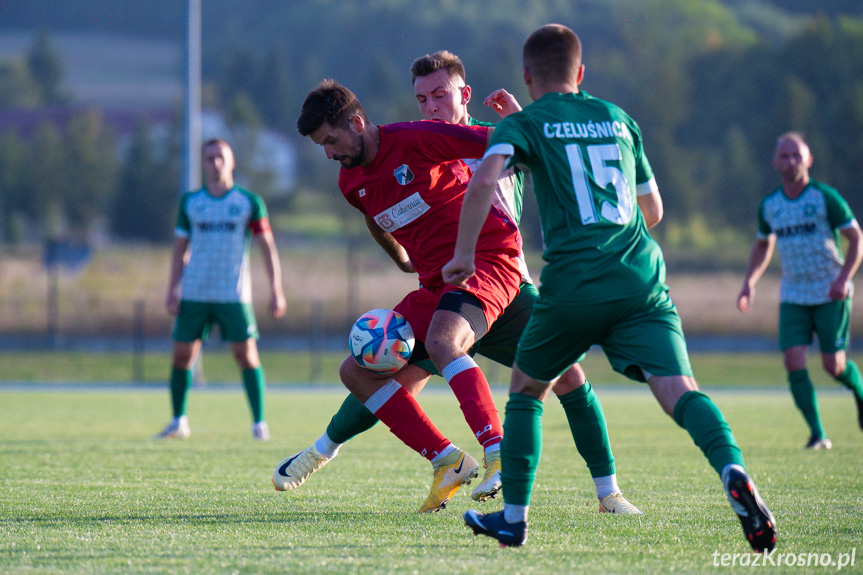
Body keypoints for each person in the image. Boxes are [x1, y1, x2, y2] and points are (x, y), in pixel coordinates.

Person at [444, 24, 777, 552]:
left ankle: (513, 518)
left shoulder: (525, 123)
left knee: (528, 388)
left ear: (528, 76)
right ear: (581, 74)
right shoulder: (618, 119)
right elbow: (654, 211)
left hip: (574, 280)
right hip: (642, 278)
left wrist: (463, 256)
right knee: (679, 391)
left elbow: (485, 180)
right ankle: (732, 468)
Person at [272, 52, 639, 515]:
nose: (430, 105)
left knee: (564, 376)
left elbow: (521, 147)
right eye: (422, 97)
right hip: (440, 286)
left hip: (494, 269)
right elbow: (374, 215)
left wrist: (526, 124)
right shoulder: (351, 179)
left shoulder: (434, 138)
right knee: (361, 370)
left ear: (463, 94)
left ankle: (600, 490)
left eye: (439, 95)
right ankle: (444, 460)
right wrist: (400, 257)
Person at [737, 132, 863, 450]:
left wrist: (843, 279)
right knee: (793, 360)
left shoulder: (824, 197)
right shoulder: (770, 205)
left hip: (829, 291)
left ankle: (860, 392)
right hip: (793, 293)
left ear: (809, 160)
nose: (791, 161)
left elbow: (856, 239)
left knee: (833, 366)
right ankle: (817, 434)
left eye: (797, 155)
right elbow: (763, 245)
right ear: (775, 162)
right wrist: (749, 282)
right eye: (785, 155)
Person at [155, 138, 287, 441]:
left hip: (233, 294)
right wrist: (171, 288)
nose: (215, 163)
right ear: (203, 163)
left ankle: (259, 425)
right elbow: (179, 249)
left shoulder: (248, 202)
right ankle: (179, 422)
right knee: (181, 357)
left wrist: (276, 291)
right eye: (209, 158)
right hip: (195, 292)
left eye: (220, 158)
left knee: (246, 356)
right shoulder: (191, 203)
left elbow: (267, 247)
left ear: (232, 162)